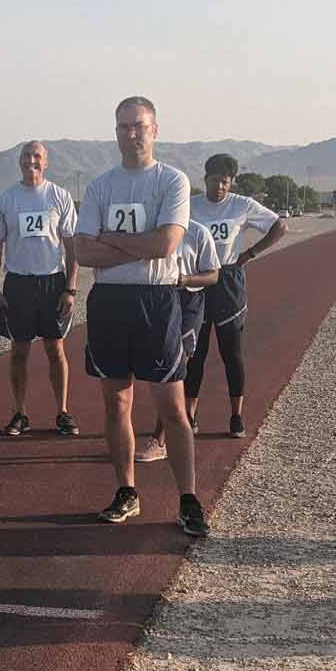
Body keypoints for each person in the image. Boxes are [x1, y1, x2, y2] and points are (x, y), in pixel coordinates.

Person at [74, 96, 207, 536]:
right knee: (116, 403)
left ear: (154, 129)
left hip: (157, 301)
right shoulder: (100, 186)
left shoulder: (173, 181)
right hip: (110, 304)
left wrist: (111, 242)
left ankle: (188, 499)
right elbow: (82, 249)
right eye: (123, 127)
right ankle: (126, 491)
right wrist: (134, 244)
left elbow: (166, 245)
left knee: (171, 407)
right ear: (116, 132)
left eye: (138, 126)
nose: (131, 134)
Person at [188, 154, 288, 437]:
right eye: (214, 181)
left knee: (231, 352)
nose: (219, 187)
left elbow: (280, 226)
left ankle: (236, 417)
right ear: (204, 179)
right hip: (198, 281)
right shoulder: (190, 206)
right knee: (195, 353)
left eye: (225, 182)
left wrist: (249, 254)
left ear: (230, 183)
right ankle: (189, 415)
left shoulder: (241, 205)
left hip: (229, 281)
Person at [0, 140, 80, 436]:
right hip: (18, 283)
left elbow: (71, 245)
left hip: (52, 282)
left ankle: (63, 411)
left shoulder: (59, 196)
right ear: (19, 161)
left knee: (56, 350)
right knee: (19, 351)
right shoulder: (6, 200)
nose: (32, 161)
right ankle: (20, 413)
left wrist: (71, 288)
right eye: (27, 156)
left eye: (37, 156)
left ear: (46, 162)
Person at [137, 218, 219, 462]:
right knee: (156, 368)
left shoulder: (198, 231)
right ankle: (176, 422)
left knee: (176, 366)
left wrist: (185, 280)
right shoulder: (151, 227)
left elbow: (213, 275)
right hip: (157, 299)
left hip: (188, 302)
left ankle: (159, 439)